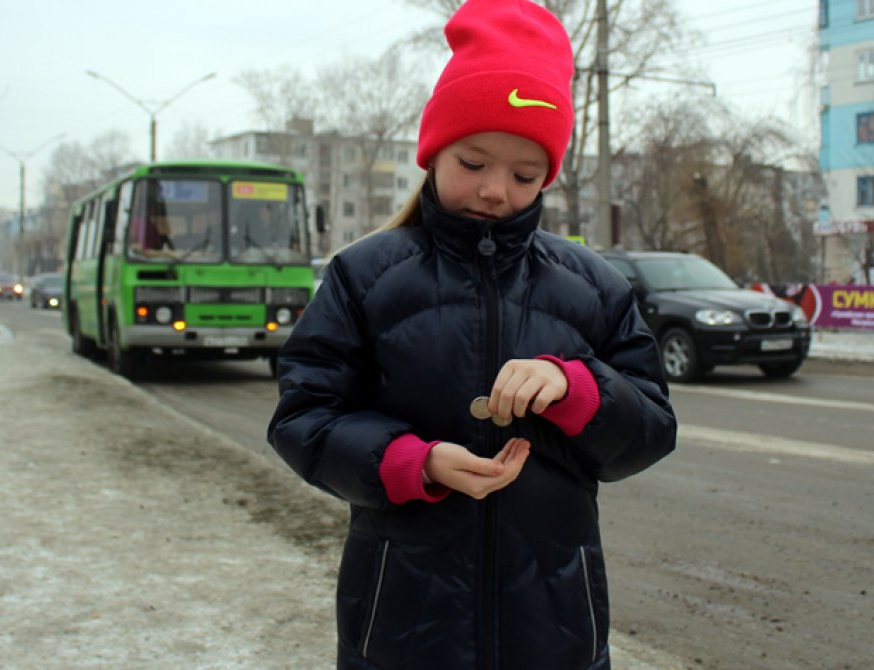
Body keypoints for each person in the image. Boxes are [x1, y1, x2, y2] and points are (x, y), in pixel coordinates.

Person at [267, 1, 678, 667]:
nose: (494, 190)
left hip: (554, 633)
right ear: (433, 152)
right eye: (473, 161)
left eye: (524, 175)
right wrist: (409, 461)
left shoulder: (593, 286)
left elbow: (651, 431)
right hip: (404, 628)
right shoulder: (364, 276)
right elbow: (303, 417)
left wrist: (579, 390)